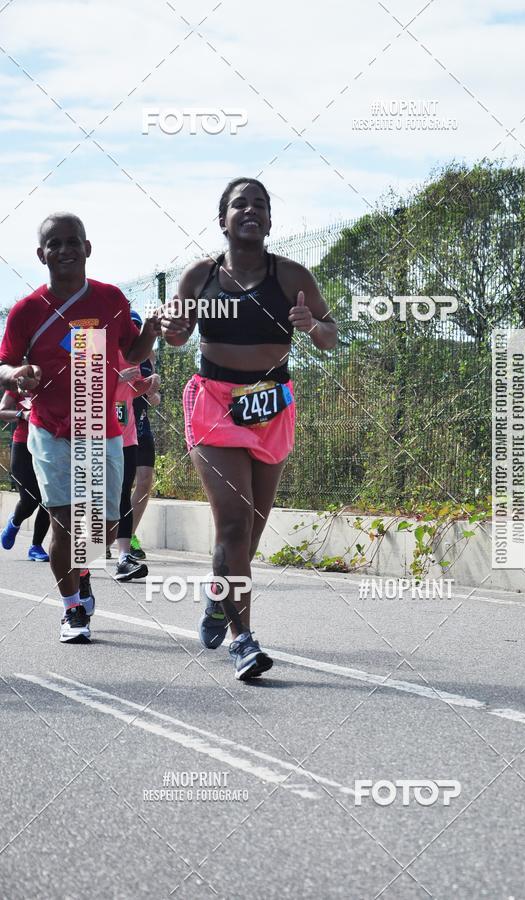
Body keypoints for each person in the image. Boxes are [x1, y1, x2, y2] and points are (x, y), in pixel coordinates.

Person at [162, 178, 337, 680]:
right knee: (233, 525)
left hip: (271, 406)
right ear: (224, 220)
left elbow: (329, 336)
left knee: (250, 533)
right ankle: (245, 641)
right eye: (240, 204)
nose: (251, 210)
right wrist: (171, 326)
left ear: (268, 221)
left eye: (260, 204)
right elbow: (178, 338)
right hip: (215, 403)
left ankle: (219, 598)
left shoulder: (291, 276)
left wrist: (310, 325)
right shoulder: (200, 275)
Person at [0, 212, 160, 642]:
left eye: (73, 242)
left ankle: (82, 569)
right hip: (50, 429)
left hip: (101, 427)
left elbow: (133, 349)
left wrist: (155, 333)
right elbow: (3, 365)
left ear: (87, 248)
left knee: (102, 530)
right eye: (55, 243)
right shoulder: (26, 311)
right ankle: (72, 609)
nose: (65, 250)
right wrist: (17, 374)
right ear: (41, 254)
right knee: (64, 521)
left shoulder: (110, 300)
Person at [113, 347, 159, 580]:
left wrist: (151, 386)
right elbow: (80, 383)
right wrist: (117, 378)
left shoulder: (143, 354)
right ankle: (83, 558)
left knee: (127, 490)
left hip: (131, 430)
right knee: (98, 493)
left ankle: (124, 554)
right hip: (96, 427)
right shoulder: (93, 340)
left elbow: (139, 391)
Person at [0, 388, 50, 560]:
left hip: (50, 446)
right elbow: (2, 410)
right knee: (30, 499)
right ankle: (14, 523)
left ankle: (36, 547)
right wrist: (22, 414)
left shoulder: (55, 383)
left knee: (49, 499)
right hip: (23, 445)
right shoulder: (17, 386)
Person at [129, 310, 160, 560]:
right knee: (117, 484)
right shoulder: (113, 354)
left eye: (137, 327)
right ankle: (106, 535)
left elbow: (154, 398)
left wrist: (153, 394)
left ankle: (129, 535)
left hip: (141, 424)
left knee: (145, 481)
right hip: (117, 425)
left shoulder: (149, 355)